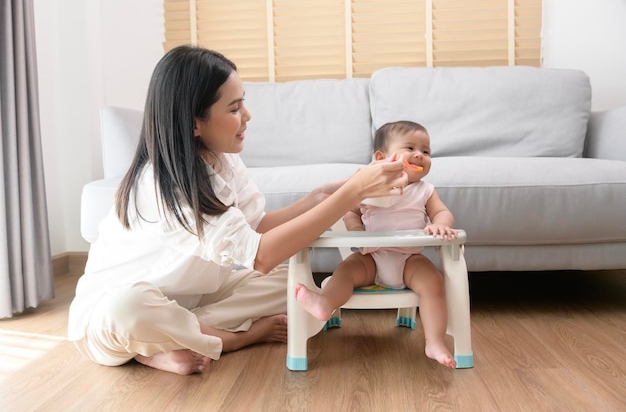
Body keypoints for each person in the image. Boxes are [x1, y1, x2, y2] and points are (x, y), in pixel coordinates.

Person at [67, 46, 408, 375]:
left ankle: (170, 341)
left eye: (243, 103)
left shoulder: (223, 158)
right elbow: (260, 255)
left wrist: (319, 198)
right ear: (194, 123)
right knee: (127, 308)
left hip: (193, 302)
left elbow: (255, 228)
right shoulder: (164, 185)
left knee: (291, 281)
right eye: (233, 109)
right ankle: (231, 340)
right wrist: (351, 194)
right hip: (112, 317)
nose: (247, 116)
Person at [295, 120, 459, 368]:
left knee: (434, 283)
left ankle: (434, 341)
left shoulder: (425, 190)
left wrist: (441, 224)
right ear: (382, 157)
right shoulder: (369, 188)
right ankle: (324, 303)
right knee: (346, 271)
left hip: (409, 261)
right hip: (372, 257)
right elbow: (349, 210)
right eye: (411, 148)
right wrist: (356, 230)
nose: (420, 155)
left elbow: (442, 212)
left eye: (426, 151)